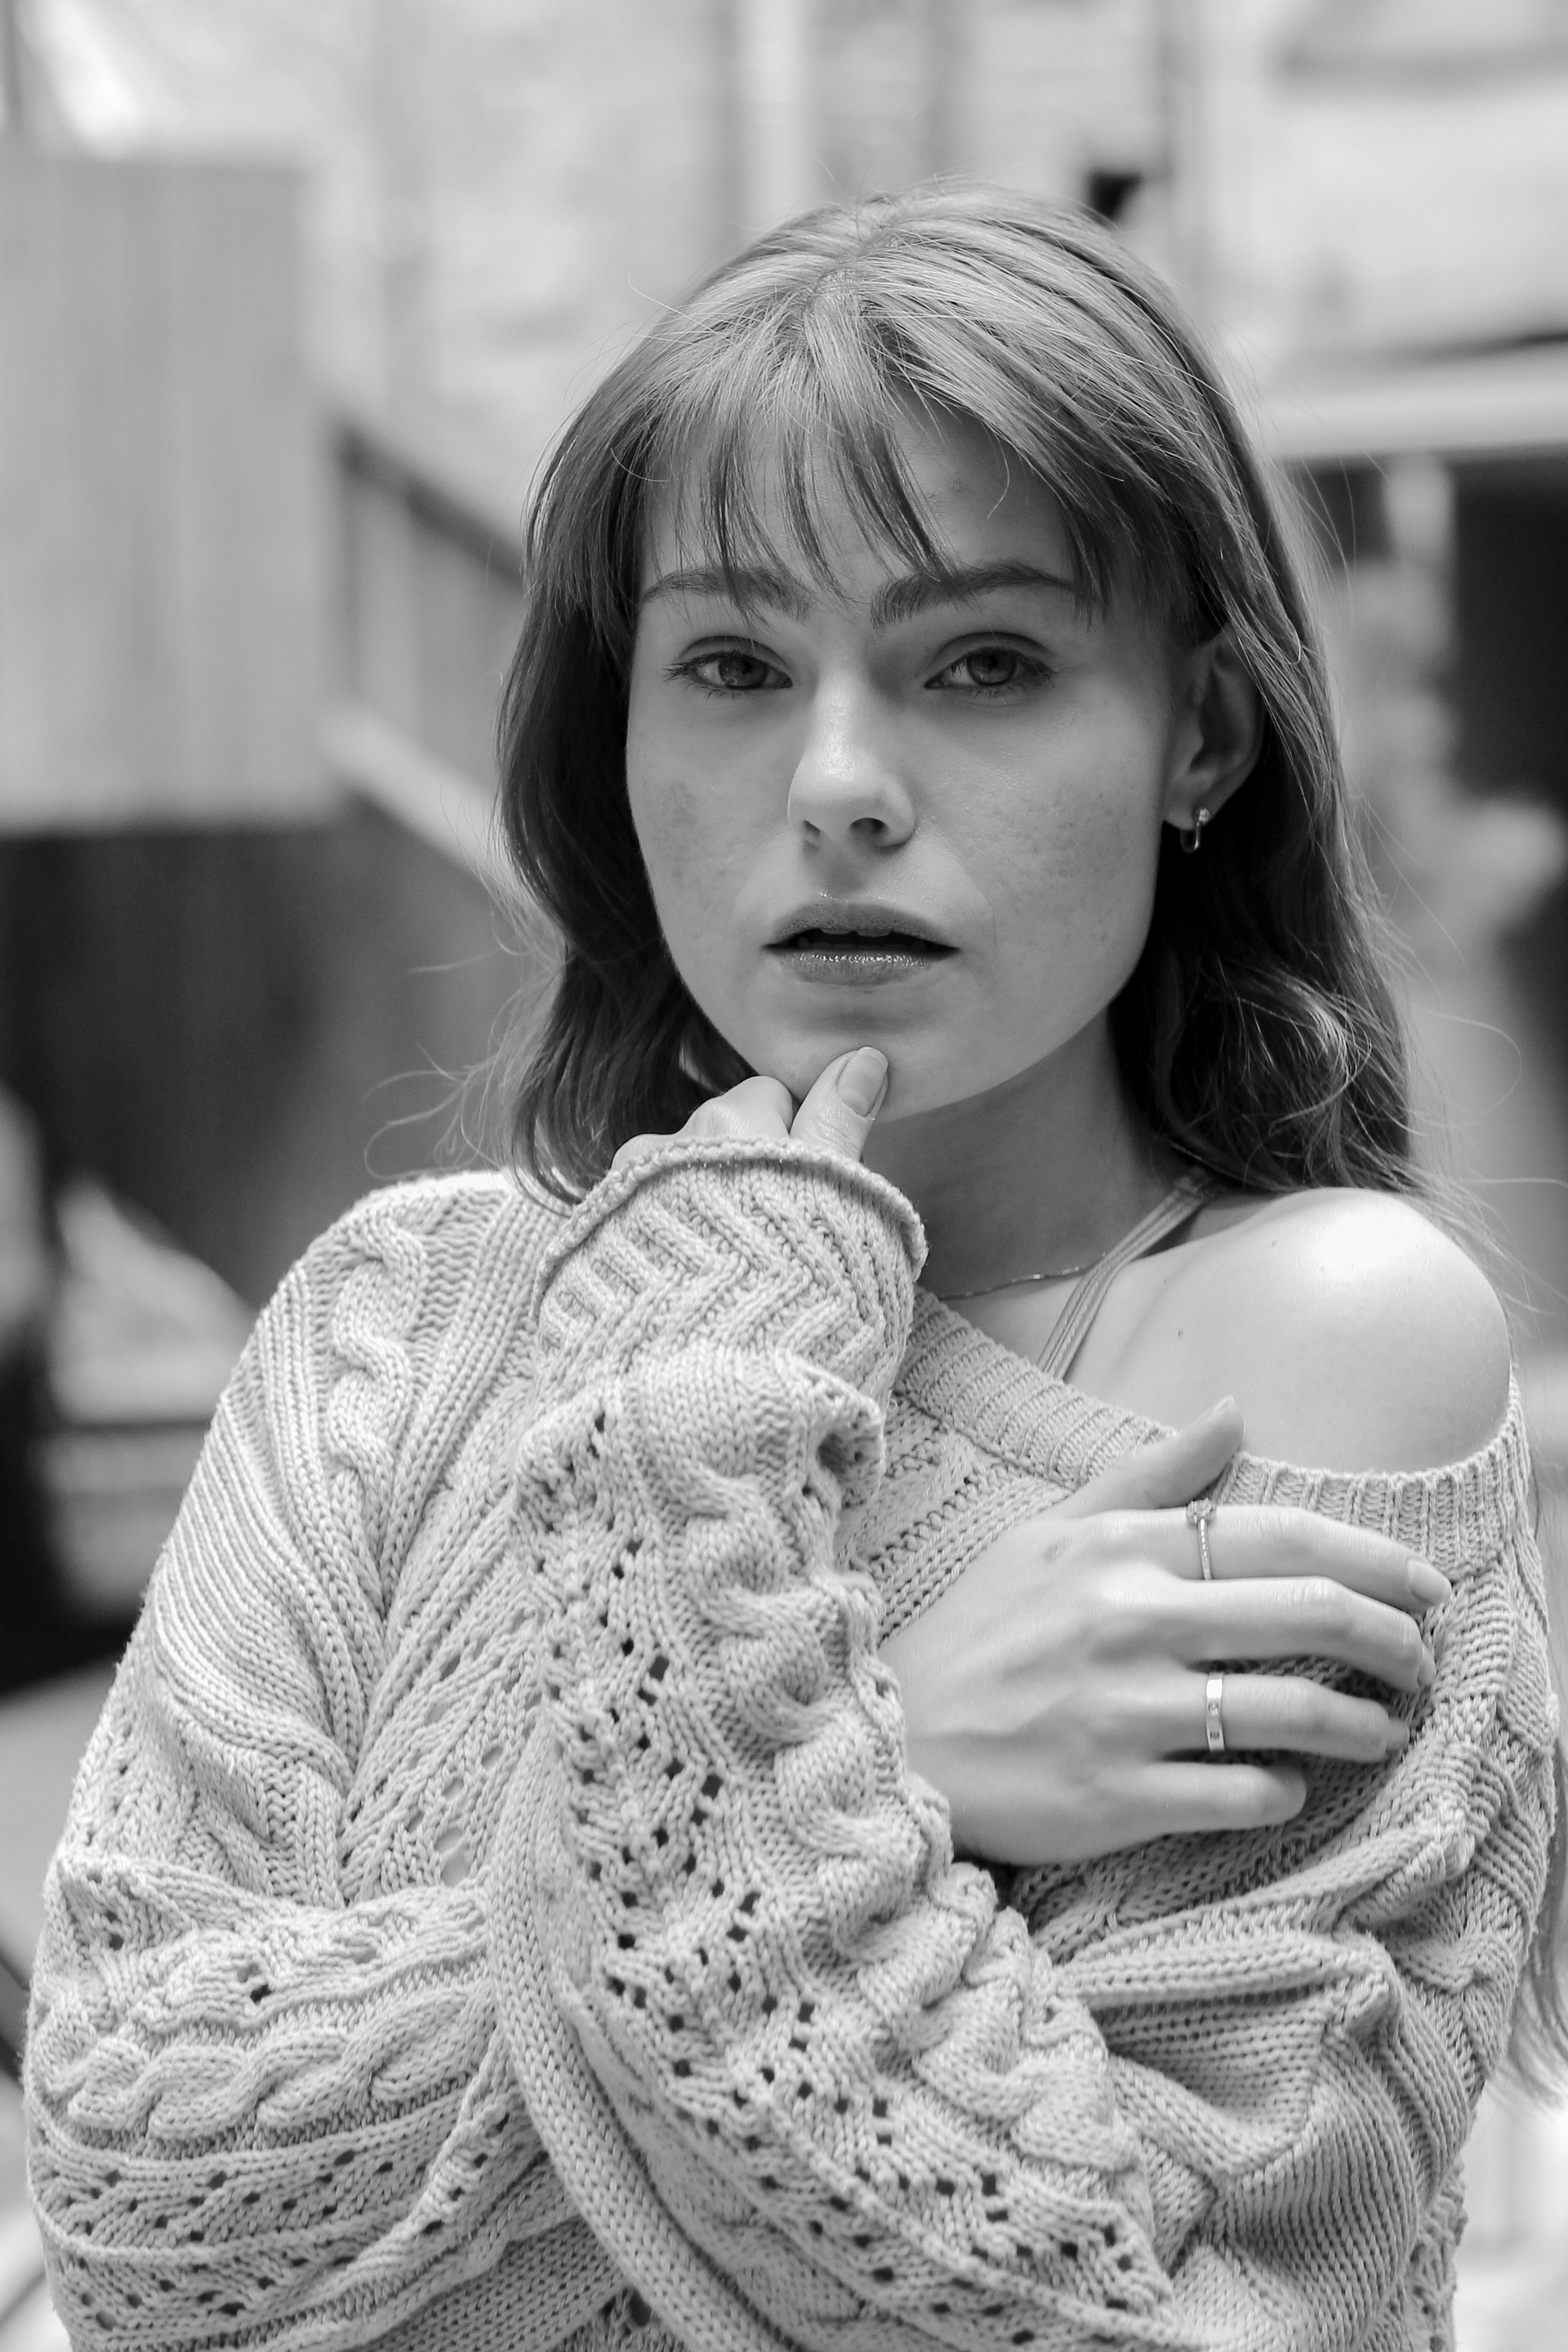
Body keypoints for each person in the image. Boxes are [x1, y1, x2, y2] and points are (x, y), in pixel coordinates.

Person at [24, 189, 1561, 2352]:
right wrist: (879, 1756)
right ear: (620, 730)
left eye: (985, 664)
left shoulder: (1314, 1342)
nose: (838, 786)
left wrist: (700, 1502)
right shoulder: (396, 1322)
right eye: (734, 668)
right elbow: (126, 2204)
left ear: (1201, 736)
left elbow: (1134, 2306)